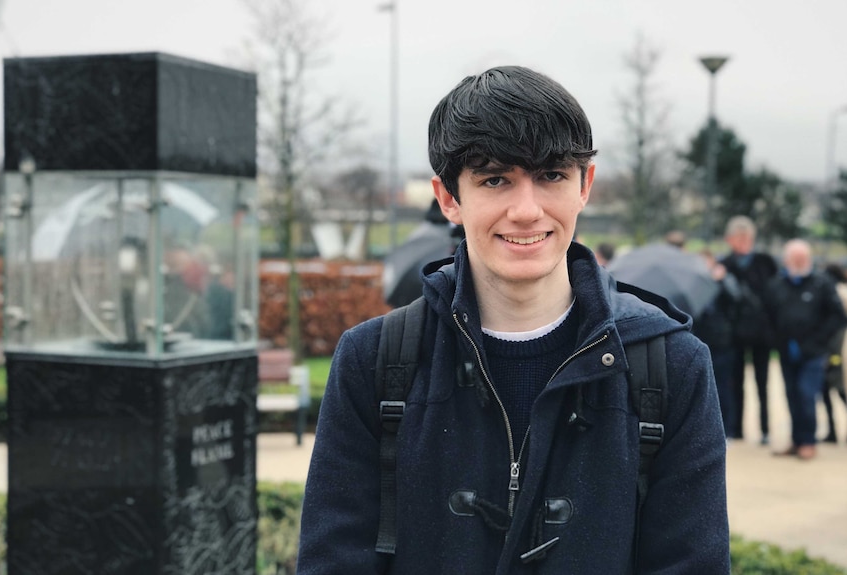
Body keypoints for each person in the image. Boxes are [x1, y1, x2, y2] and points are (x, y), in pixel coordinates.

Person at [296, 66, 729, 573]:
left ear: (585, 185)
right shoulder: (372, 361)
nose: (526, 211)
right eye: (495, 179)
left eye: (551, 176)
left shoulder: (674, 365)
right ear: (448, 198)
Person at [764, 240, 847, 460]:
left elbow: (837, 317)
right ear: (786, 260)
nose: (800, 262)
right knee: (791, 394)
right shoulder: (776, 285)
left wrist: (820, 342)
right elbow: (768, 315)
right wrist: (777, 340)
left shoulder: (822, 283)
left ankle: (808, 441)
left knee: (805, 393)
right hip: (786, 350)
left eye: (803, 258)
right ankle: (797, 439)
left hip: (813, 352)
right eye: (795, 258)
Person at [721, 215, 778, 444]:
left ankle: (765, 429)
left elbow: (774, 295)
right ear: (730, 239)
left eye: (747, 237)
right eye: (738, 238)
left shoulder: (765, 262)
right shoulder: (724, 265)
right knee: (736, 383)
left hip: (761, 333)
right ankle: (736, 429)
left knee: (763, 383)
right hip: (735, 333)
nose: (743, 242)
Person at [694, 249, 741, 440]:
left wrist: (720, 281)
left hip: (722, 342)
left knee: (722, 386)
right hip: (699, 339)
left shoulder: (724, 279)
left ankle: (726, 428)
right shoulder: (693, 283)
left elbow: (736, 299)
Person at [822, 263, 847, 443]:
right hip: (836, 346)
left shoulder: (836, 292)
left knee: (835, 389)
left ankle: (832, 429)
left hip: (836, 347)